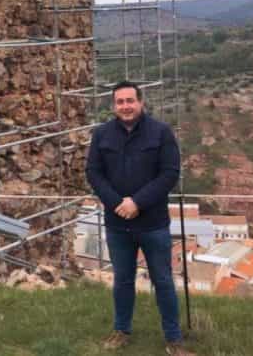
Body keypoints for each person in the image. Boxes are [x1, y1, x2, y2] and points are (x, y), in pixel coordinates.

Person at [86, 80, 195, 356]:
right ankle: (121, 330)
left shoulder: (161, 133)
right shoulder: (101, 135)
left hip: (153, 223)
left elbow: (169, 173)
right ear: (113, 106)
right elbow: (94, 173)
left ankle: (173, 339)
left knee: (163, 280)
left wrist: (137, 202)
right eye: (120, 102)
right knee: (122, 279)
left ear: (141, 102)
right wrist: (117, 203)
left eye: (130, 100)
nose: (125, 106)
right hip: (117, 223)